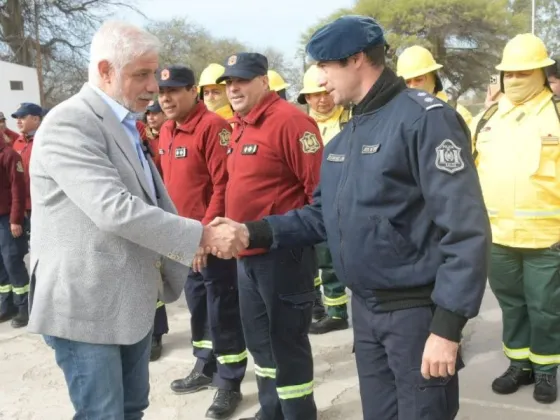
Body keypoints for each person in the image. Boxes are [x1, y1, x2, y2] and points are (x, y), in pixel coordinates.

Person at [205, 16, 491, 420]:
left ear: (357, 59)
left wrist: (447, 328)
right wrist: (251, 232)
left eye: (326, 67)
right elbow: (320, 216)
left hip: (415, 317)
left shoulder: (424, 120)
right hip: (368, 315)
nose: (320, 80)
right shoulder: (346, 136)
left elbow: (465, 229)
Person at [27, 21, 245, 419]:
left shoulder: (126, 123)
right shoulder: (70, 123)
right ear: (106, 71)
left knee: (131, 409)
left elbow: (152, 198)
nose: (152, 86)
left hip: (128, 300)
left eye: (155, 73)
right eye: (141, 75)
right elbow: (114, 208)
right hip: (85, 305)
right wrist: (202, 236)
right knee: (104, 414)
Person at [216, 52, 322, 420]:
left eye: (242, 80)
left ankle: (297, 414)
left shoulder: (291, 123)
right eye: (229, 83)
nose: (233, 88)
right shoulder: (241, 125)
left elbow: (318, 198)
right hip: (248, 258)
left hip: (283, 256)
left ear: (264, 80)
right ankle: (271, 410)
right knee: (261, 344)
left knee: (286, 344)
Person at [470, 33, 560, 404]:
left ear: (541, 73)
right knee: (512, 305)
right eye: (509, 73)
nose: (515, 79)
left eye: (524, 72)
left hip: (546, 237)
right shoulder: (486, 118)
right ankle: (518, 365)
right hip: (499, 237)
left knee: (544, 308)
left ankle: (546, 371)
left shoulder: (556, 114)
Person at [157, 65, 246, 419]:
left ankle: (230, 382)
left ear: (194, 91)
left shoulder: (212, 128)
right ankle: (204, 365)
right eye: (162, 92)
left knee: (222, 309)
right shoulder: (166, 130)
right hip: (184, 241)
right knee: (199, 307)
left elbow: (222, 185)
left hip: (209, 242)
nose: (166, 98)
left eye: (175, 90)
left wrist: (202, 237)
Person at [297, 64, 350, 334]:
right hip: (313, 204)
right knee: (318, 258)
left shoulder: (350, 120)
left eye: (324, 93)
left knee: (331, 261)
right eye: (313, 95)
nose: (321, 99)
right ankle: (325, 308)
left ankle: (338, 312)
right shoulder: (300, 126)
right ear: (306, 98)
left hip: (345, 202)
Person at [396, 45, 473, 126]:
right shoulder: (400, 116)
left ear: (434, 78)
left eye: (418, 80)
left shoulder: (458, 114)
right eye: (407, 82)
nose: (412, 86)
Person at [0, 138, 29, 328]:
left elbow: (18, 189)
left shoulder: (10, 155)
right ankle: (6, 305)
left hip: (8, 220)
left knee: (12, 262)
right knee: (1, 266)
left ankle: (24, 308)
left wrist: (15, 219)